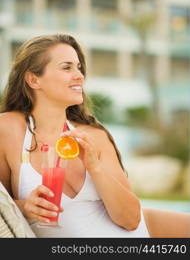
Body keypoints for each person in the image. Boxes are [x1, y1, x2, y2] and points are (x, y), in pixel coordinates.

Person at [0, 34, 189, 238]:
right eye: (67, 67)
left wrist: (94, 167)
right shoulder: (9, 129)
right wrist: (24, 206)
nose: (79, 75)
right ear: (34, 79)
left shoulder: (94, 136)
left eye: (79, 67)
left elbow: (130, 220)